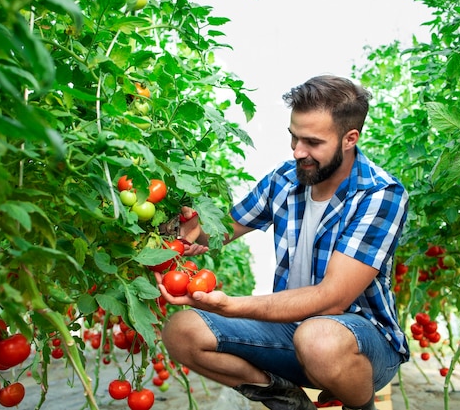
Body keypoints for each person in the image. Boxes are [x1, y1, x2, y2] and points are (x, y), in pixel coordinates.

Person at [156, 75, 409, 410]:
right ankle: (290, 403)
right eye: (293, 137)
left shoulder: (380, 194)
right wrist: (187, 226)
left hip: (362, 343)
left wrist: (232, 305)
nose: (297, 151)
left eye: (312, 142)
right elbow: (221, 230)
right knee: (181, 330)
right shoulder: (284, 180)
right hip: (290, 334)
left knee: (319, 337)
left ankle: (360, 406)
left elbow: (332, 300)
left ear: (350, 139)